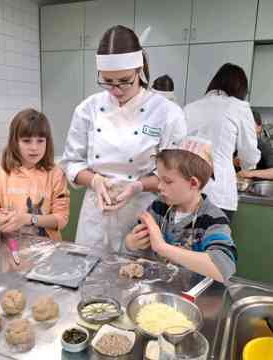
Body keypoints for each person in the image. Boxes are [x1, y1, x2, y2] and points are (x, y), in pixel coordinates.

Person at [60, 25, 187, 252]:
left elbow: (173, 175)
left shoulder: (166, 113)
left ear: (140, 70)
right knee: (89, 278)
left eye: (124, 80)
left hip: (142, 215)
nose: (116, 89)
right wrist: (95, 181)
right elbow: (71, 163)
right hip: (95, 215)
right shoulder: (87, 109)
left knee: (138, 280)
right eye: (108, 81)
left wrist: (137, 186)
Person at [125, 137, 237, 283]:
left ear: (193, 183)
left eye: (168, 181)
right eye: (160, 179)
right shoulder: (159, 207)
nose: (159, 187)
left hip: (193, 296)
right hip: (157, 286)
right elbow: (133, 241)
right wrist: (131, 242)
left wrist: (162, 247)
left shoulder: (213, 220)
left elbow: (224, 268)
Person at [184, 63, 260, 221]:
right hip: (219, 193)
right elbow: (250, 155)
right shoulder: (239, 108)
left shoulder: (189, 108)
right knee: (214, 243)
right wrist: (247, 167)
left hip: (186, 191)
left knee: (182, 244)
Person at [0, 109, 70, 241]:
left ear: (47, 142)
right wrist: (1, 218)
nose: (34, 147)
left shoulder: (56, 174)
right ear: (15, 142)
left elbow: (61, 219)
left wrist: (29, 218)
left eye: (40, 141)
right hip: (9, 245)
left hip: (47, 249)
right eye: (26, 141)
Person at [236, 110, 273, 180]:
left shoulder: (263, 146)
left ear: (259, 128)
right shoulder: (233, 144)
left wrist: (249, 173)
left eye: (249, 126)